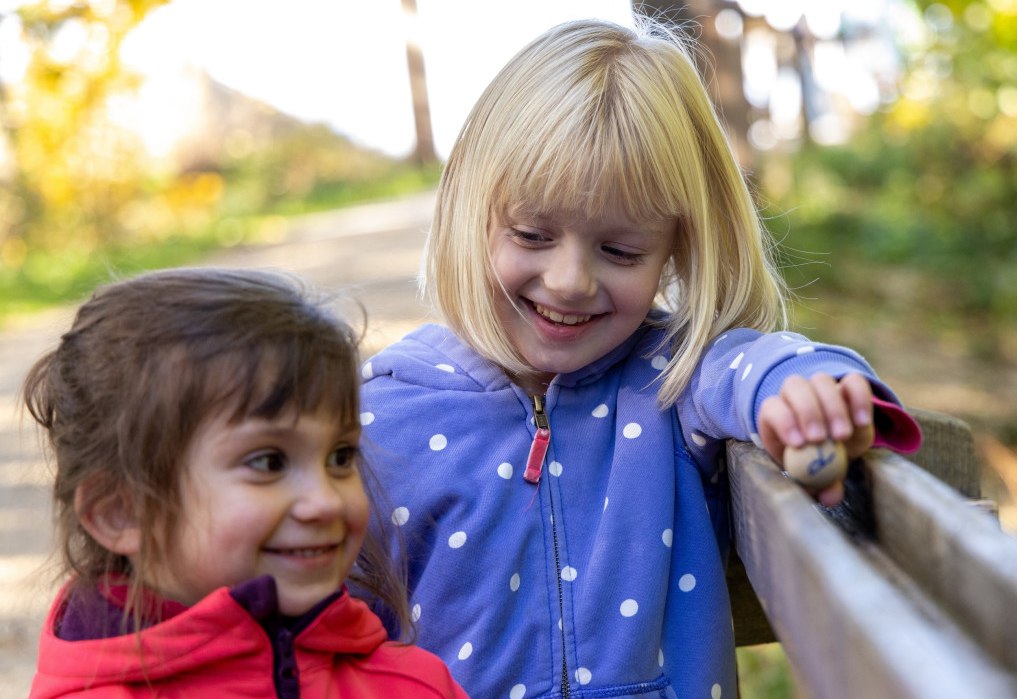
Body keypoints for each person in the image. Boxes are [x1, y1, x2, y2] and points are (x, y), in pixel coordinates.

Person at [359, 16, 922, 699]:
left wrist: (806, 393)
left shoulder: (674, 379)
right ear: (472, 213)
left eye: (621, 251)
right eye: (533, 233)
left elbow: (758, 366)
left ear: (676, 248)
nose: (569, 280)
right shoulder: (385, 414)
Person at [24, 267, 468, 698]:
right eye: (269, 462)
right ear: (121, 512)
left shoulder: (415, 684)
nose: (325, 502)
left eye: (340, 456)